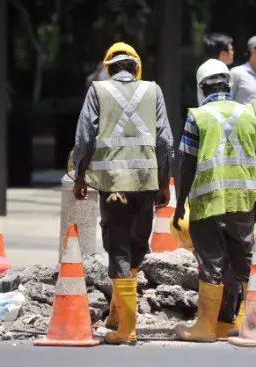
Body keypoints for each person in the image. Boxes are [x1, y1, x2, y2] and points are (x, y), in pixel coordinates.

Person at [69, 42, 174, 345]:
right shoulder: (153, 90)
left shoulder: (97, 91)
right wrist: (164, 181)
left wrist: (80, 176)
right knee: (137, 246)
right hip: (145, 184)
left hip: (113, 186)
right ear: (136, 67)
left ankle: (126, 327)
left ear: (108, 67)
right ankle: (118, 315)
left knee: (118, 249)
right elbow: (165, 141)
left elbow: (84, 137)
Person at [172, 58, 256, 342]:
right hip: (243, 202)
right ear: (228, 84)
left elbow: (187, 163)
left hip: (207, 204)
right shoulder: (249, 114)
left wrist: (180, 205)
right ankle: (254, 325)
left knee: (212, 262)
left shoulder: (197, 116)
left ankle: (205, 327)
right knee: (245, 261)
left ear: (203, 88)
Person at [196, 33, 235, 106]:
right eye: (231, 49)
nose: (232, 52)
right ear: (223, 53)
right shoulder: (210, 72)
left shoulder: (205, 69)